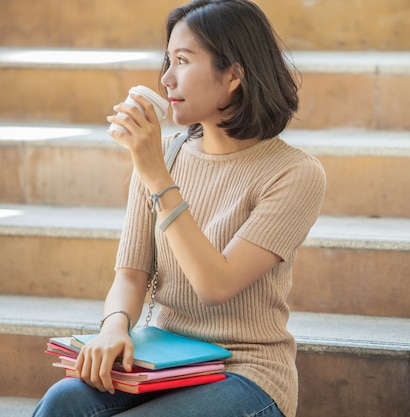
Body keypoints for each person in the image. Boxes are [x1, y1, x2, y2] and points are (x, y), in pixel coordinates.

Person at [33, 1, 326, 416]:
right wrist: (115, 327)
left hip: (246, 371)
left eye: (183, 61)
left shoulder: (294, 174)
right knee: (63, 401)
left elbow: (215, 285)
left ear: (233, 76)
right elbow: (131, 274)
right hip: (164, 361)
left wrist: (156, 176)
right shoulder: (166, 156)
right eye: (168, 60)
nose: (167, 78)